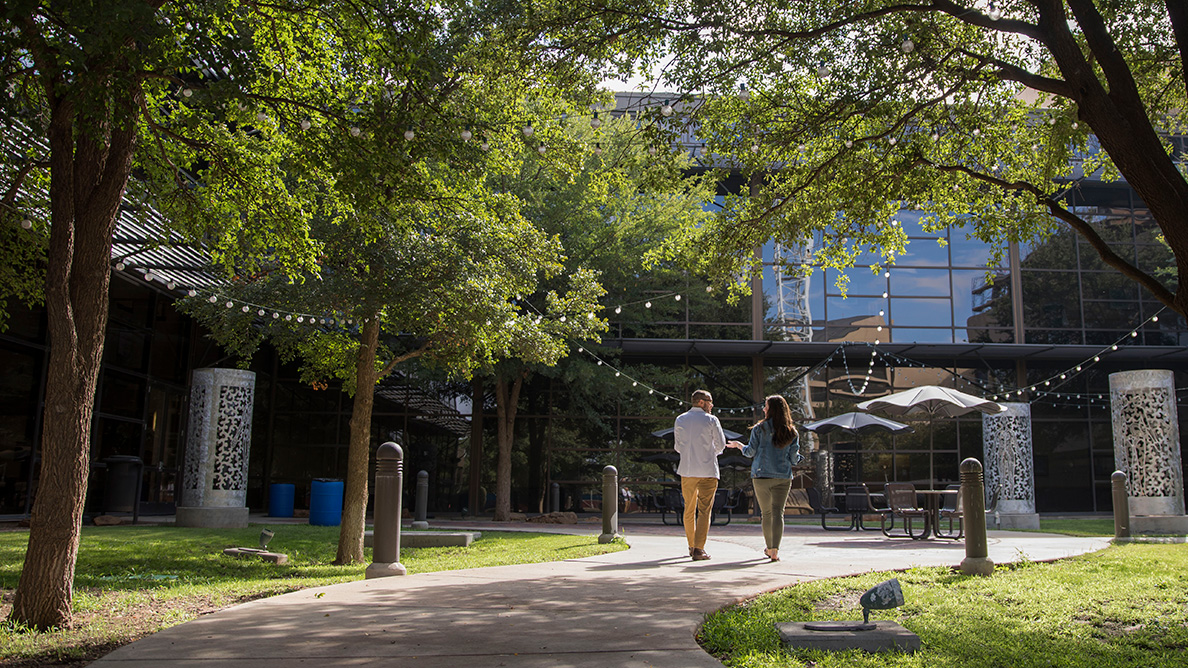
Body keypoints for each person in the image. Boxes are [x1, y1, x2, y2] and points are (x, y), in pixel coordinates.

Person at [673, 389, 744, 561]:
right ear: (700, 402)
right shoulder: (711, 420)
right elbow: (720, 446)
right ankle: (699, 549)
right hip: (708, 471)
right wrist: (708, 451)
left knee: (688, 509)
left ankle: (691, 545)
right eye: (710, 401)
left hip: (687, 471)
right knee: (705, 511)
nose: (712, 405)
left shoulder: (680, 419)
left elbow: (677, 447)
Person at [740, 395, 801, 562]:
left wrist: (740, 446)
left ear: (771, 409)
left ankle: (770, 548)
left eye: (766, 406)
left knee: (766, 514)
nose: (764, 409)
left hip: (762, 476)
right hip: (783, 476)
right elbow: (794, 459)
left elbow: (750, 452)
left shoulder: (759, 429)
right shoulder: (792, 431)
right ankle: (775, 551)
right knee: (778, 513)